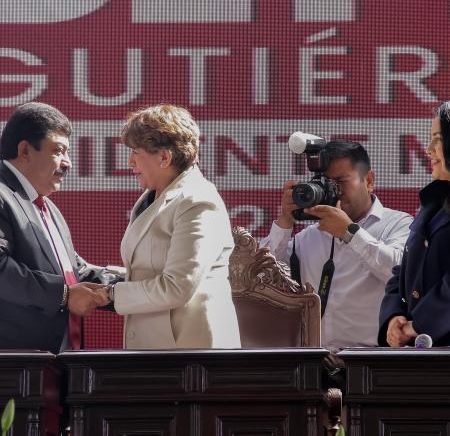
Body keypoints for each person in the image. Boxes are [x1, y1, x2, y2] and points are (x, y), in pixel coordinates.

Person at [104, 104, 241, 349]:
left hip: (191, 355)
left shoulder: (198, 200)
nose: (130, 162)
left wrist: (109, 295)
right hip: (158, 350)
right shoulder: (153, 197)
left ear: (164, 157)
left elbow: (178, 286)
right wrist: (100, 278)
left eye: (135, 152)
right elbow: (150, 269)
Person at [260, 141, 413, 353]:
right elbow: (262, 277)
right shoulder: (310, 236)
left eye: (341, 181)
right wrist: (284, 221)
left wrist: (349, 232)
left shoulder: (399, 224)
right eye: (326, 184)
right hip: (315, 360)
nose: (334, 191)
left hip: (374, 359)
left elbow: (401, 274)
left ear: (369, 181)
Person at [0, 102, 111, 354]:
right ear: (25, 150)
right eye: (59, 151)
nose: (67, 163)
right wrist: (62, 295)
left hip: (60, 363)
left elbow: (74, 272)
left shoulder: (46, 206)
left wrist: (135, 282)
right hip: (15, 367)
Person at [379, 101, 450, 347]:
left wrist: (418, 325)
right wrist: (393, 318)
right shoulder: (434, 203)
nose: (428, 150)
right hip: (421, 355)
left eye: (437, 139)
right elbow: (403, 272)